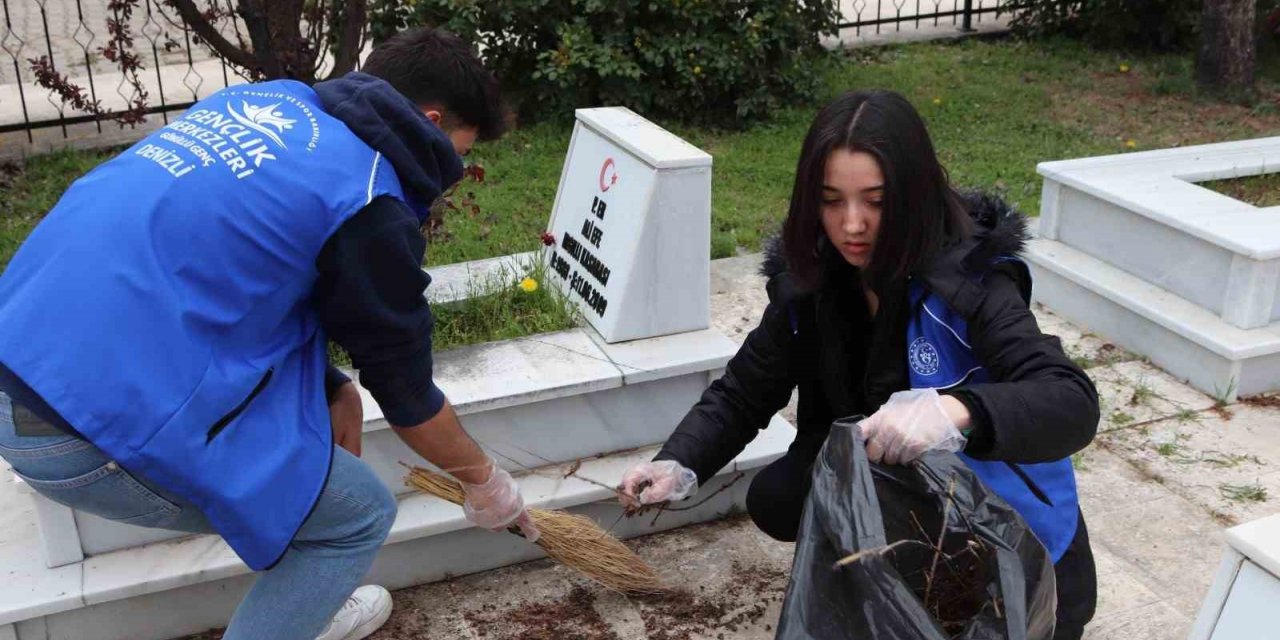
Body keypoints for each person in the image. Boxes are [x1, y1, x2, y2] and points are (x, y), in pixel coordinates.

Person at [0, 27, 538, 640]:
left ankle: (304, 608)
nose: (452, 172)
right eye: (457, 153)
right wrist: (485, 481)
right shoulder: (369, 202)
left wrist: (335, 387)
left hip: (21, 360)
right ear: (432, 120)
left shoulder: (267, 103)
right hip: (82, 433)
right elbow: (409, 397)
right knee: (353, 518)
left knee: (306, 486)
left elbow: (234, 265)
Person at [620, 90, 1100, 639]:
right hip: (909, 497)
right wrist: (679, 462)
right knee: (778, 498)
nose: (852, 225)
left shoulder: (973, 282)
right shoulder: (812, 283)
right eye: (831, 200)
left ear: (914, 194)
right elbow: (745, 388)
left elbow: (1071, 400)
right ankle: (888, 569)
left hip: (1014, 540)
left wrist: (957, 409)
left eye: (875, 201)